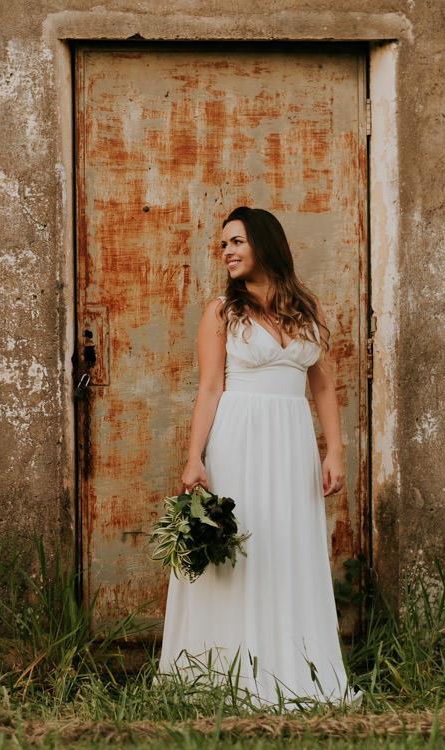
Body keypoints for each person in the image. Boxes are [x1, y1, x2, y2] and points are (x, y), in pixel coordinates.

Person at [159, 206, 359, 708]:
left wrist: (334, 450)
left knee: (287, 546)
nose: (227, 252)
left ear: (264, 244)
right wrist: (194, 456)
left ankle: (291, 668)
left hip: (292, 444)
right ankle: (226, 672)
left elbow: (323, 386)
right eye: (223, 245)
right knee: (243, 549)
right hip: (239, 439)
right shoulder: (221, 312)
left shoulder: (306, 309)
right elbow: (210, 388)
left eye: (237, 242)